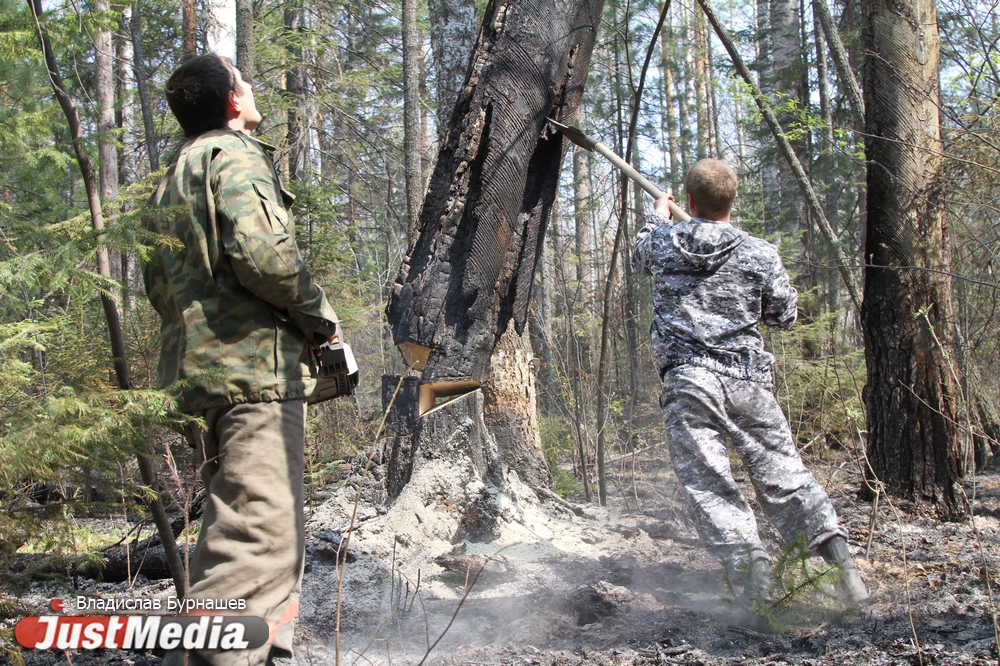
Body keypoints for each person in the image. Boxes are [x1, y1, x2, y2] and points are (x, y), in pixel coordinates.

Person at [144, 54, 341, 665]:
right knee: (258, 545)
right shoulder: (233, 156)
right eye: (246, 83)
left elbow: (157, 284)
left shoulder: (171, 174)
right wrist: (322, 321)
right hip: (253, 375)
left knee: (231, 542)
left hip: (207, 377)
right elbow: (264, 256)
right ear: (232, 100)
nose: (254, 90)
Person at [633, 158, 868, 604]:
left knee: (710, 485)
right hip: (747, 381)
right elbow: (784, 315)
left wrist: (656, 217)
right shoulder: (758, 252)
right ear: (731, 200)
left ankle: (756, 582)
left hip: (689, 382)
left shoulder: (663, 241)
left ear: (688, 200)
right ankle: (845, 571)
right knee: (787, 476)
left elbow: (642, 254)